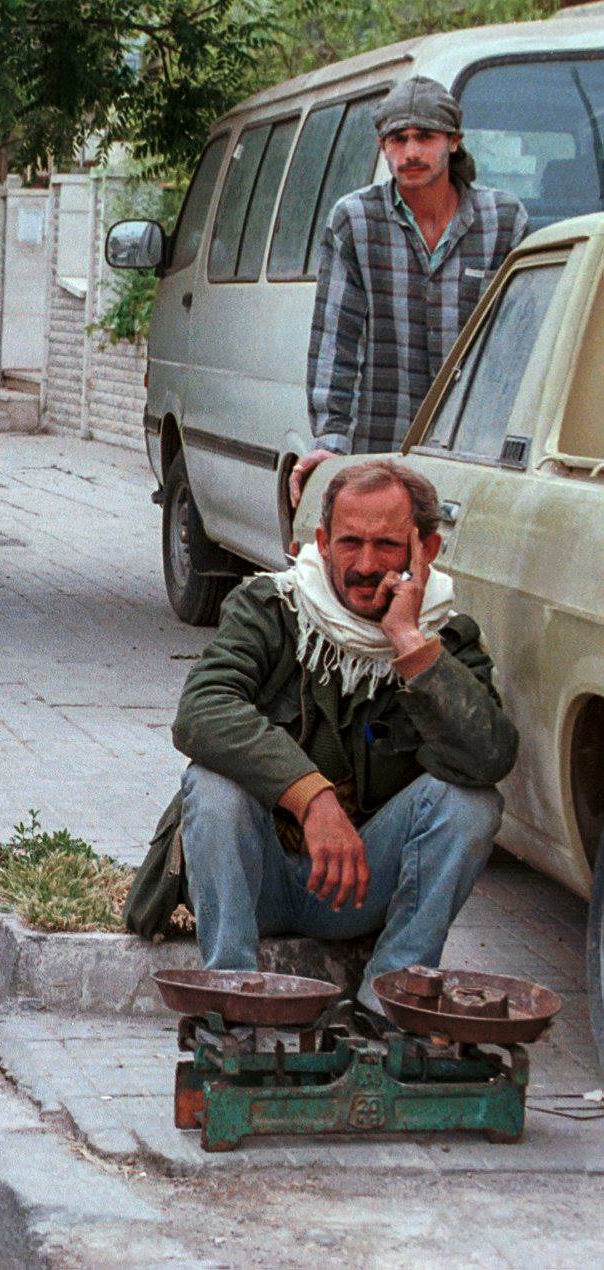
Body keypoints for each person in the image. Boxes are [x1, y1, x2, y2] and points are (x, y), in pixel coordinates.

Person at [145, 460, 517, 1010]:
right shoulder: (273, 607)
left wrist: (411, 645)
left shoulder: (442, 637)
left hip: (360, 885)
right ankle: (235, 999)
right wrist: (313, 798)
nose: (366, 565)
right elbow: (201, 710)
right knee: (211, 785)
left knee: (471, 805)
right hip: (258, 878)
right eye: (350, 543)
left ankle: (390, 999)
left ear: (426, 550)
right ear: (321, 542)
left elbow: (490, 758)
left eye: (388, 546)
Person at [291, 78, 529, 505]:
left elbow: (520, 346)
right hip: (381, 446)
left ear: (454, 142)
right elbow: (335, 340)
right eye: (398, 139)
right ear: (382, 146)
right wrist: (330, 439)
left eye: (425, 137)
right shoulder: (356, 221)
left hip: (475, 449)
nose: (411, 152)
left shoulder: (503, 221)